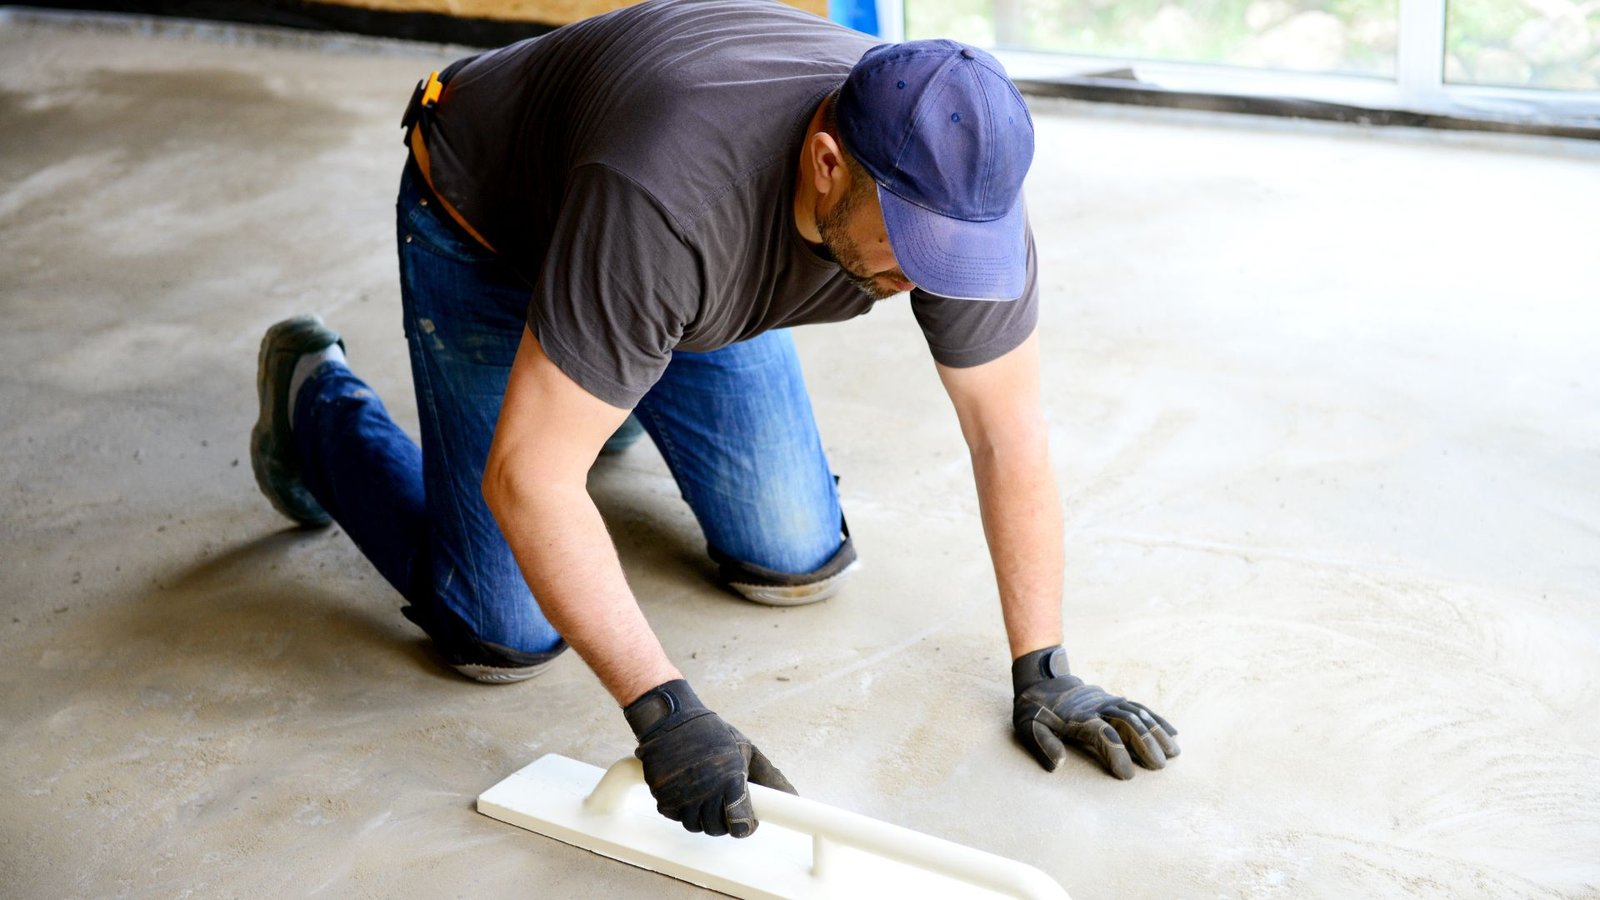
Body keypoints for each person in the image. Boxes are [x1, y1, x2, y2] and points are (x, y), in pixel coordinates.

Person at [250, 0, 1179, 840]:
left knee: (795, 560)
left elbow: (1005, 431)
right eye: (917, 254)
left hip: (673, 278)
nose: (934, 281)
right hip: (493, 223)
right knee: (502, 630)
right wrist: (666, 713)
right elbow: (524, 479)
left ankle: (604, 372)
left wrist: (1046, 663)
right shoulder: (672, 197)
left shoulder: (957, 189)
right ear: (826, 163)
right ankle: (312, 403)